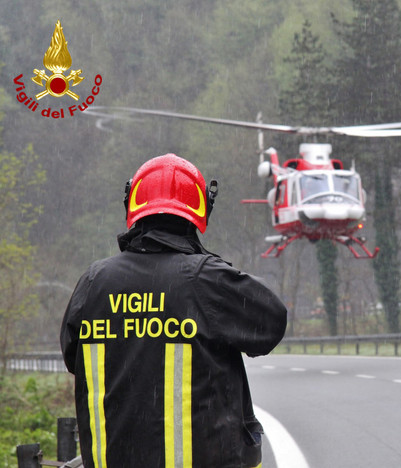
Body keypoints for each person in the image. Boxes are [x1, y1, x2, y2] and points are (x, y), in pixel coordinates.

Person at [60, 154, 287, 468]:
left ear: (132, 206)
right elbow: (270, 323)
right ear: (201, 209)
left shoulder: (94, 282)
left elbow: (75, 358)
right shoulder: (206, 280)